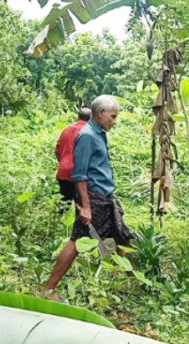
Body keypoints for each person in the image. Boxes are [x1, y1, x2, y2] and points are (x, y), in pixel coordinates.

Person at [40, 95, 133, 302]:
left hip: (105, 194)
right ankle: (47, 290)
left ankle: (134, 281)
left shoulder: (99, 133)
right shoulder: (87, 136)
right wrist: (86, 206)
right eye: (113, 116)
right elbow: (79, 174)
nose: (114, 121)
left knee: (121, 234)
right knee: (76, 241)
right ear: (100, 113)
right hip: (94, 195)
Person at [55, 107, 92, 203]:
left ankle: (53, 218)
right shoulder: (89, 132)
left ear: (78, 116)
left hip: (63, 171)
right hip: (80, 174)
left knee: (64, 203)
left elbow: (57, 151)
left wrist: (63, 163)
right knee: (82, 205)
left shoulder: (66, 130)